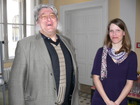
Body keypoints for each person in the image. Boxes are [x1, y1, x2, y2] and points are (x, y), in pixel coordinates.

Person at [8, 4, 79, 105]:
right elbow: (16, 84)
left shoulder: (68, 42)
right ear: (37, 22)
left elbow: (74, 74)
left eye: (52, 15)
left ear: (57, 20)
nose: (49, 19)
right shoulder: (24, 45)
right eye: (43, 16)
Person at [91, 18, 138, 105]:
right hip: (100, 100)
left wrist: (116, 103)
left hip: (120, 101)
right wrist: (107, 101)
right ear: (108, 33)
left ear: (124, 33)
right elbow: (96, 78)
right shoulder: (101, 52)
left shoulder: (131, 56)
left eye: (118, 30)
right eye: (111, 31)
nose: (114, 34)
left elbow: (129, 82)